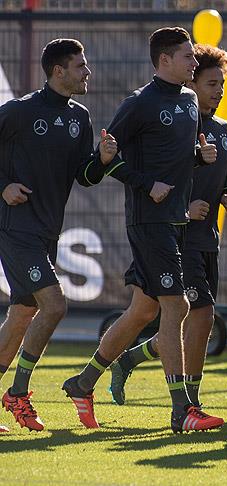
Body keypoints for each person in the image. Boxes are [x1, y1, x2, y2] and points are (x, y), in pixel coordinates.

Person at [61, 27, 222, 433]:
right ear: (164, 60)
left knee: (143, 311)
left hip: (176, 221)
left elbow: (174, 157)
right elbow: (106, 160)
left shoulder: (189, 100)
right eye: (187, 56)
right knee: (177, 306)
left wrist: (199, 157)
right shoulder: (138, 103)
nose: (194, 62)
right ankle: (182, 409)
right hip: (149, 221)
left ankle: (82, 383)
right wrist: (147, 184)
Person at [106, 44, 227, 411]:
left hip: (207, 238)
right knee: (200, 316)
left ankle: (122, 362)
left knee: (151, 314)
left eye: (222, 83)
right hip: (176, 236)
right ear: (191, 83)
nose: (219, 90)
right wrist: (184, 206)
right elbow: (158, 171)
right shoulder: (176, 123)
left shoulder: (226, 131)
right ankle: (189, 402)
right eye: (211, 83)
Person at [0, 39, 113, 432]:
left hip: (47, 231)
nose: (87, 72)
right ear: (58, 71)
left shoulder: (80, 117)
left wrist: (102, 160)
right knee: (55, 305)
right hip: (16, 228)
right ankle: (18, 393)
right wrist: (4, 187)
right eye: (80, 66)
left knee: (21, 315)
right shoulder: (19, 111)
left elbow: (84, 177)